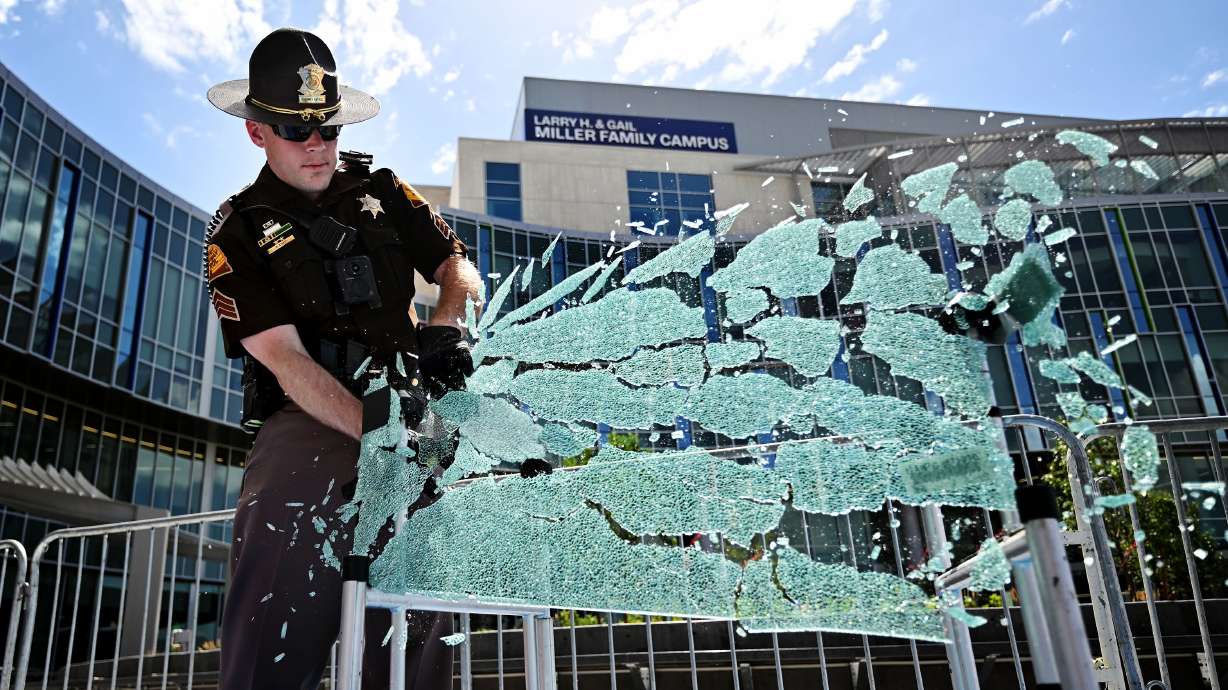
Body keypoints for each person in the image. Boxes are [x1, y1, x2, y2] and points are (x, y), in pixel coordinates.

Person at [203, 27, 484, 689]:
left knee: (413, 639)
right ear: (257, 133)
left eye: (326, 129)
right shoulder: (235, 229)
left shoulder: (382, 188)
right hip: (311, 426)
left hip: (411, 420)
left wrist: (445, 328)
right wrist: (374, 429)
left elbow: (458, 265)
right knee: (272, 633)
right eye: (297, 132)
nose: (317, 146)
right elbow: (284, 360)